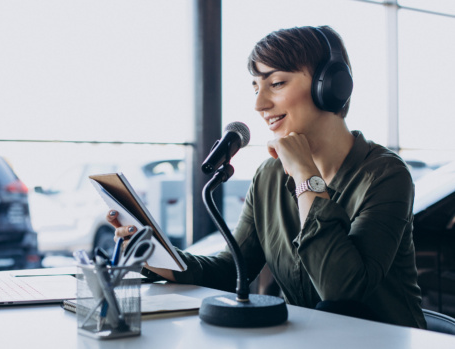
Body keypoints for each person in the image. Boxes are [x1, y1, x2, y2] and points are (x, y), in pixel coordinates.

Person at [106, 25, 426, 329]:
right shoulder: (270, 175)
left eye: (276, 83)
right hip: (305, 340)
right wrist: (155, 253)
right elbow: (232, 268)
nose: (260, 104)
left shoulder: (385, 174)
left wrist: (304, 173)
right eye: (256, 87)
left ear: (331, 86)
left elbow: (341, 289)